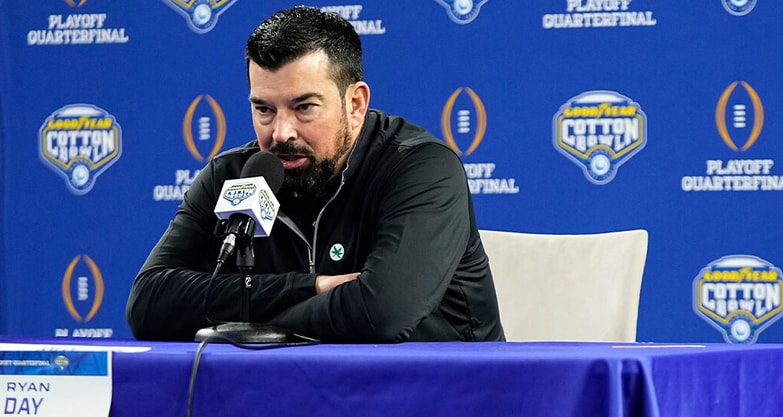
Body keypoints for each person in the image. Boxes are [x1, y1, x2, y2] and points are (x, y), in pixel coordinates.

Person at [125, 6, 504, 343]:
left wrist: (247, 327)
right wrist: (311, 287)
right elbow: (148, 304)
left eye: (304, 107)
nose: (280, 133)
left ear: (355, 104)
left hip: (438, 389)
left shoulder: (422, 167)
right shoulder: (232, 175)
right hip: (293, 389)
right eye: (264, 109)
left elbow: (380, 313)